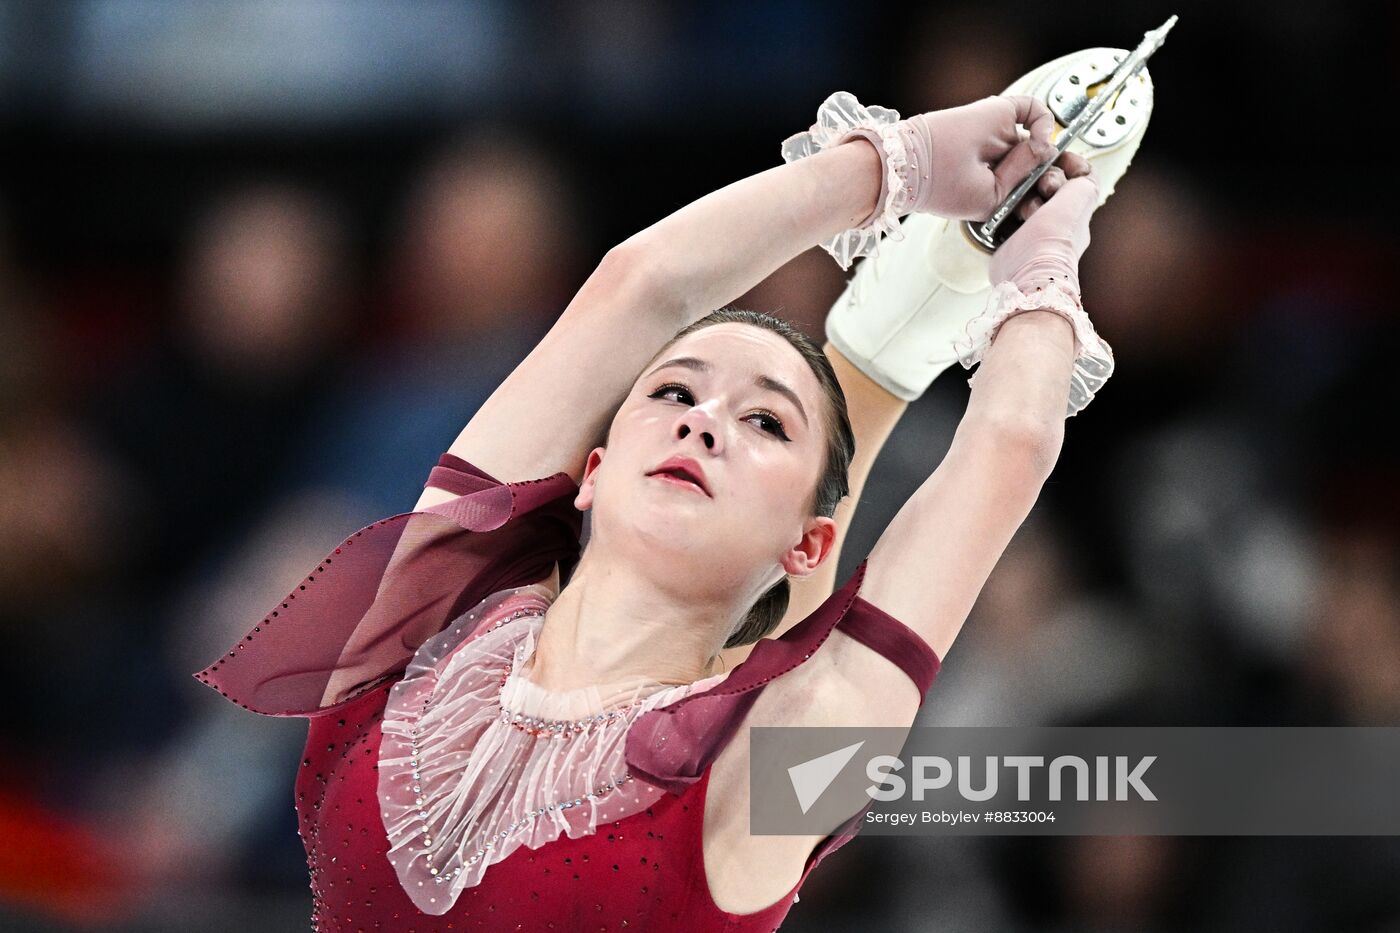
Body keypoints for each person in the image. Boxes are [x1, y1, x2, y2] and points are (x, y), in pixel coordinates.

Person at [195, 82, 1115, 930]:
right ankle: (865, 361)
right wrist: (892, 163)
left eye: (763, 421)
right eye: (675, 392)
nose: (704, 424)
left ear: (811, 543)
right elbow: (641, 285)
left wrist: (1046, 261)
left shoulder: (773, 759)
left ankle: (872, 370)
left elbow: (1008, 447)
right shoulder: (440, 616)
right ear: (591, 468)